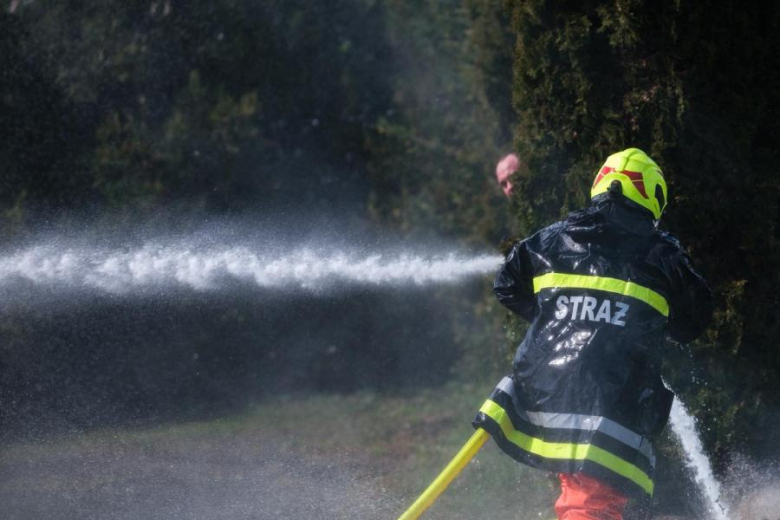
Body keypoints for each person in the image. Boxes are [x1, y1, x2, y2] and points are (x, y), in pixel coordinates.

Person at [473, 148, 713, 519]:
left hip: (548, 392)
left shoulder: (552, 238)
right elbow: (694, 321)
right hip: (610, 403)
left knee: (584, 498)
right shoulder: (662, 255)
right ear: (653, 197)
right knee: (590, 506)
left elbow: (507, 284)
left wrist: (561, 317)